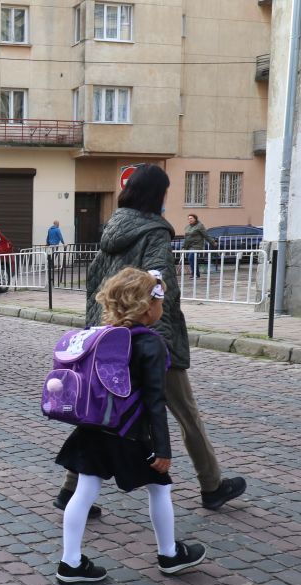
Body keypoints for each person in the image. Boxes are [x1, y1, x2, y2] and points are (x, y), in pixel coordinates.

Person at [54, 164, 246, 515]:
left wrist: (99, 335)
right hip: (148, 339)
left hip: (110, 339)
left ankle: (70, 491)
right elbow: (161, 290)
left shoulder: (110, 231)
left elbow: (94, 286)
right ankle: (212, 485)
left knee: (99, 415)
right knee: (187, 416)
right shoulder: (155, 233)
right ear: (156, 195)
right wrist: (158, 345)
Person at [55, 268, 207, 583]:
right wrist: (162, 448)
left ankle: (70, 562)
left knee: (83, 491)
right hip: (129, 434)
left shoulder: (100, 335)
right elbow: (155, 401)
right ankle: (169, 554)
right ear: (147, 306)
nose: (161, 307)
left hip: (93, 428)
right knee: (160, 487)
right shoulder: (151, 343)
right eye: (159, 300)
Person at [182, 214, 214, 278]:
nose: (189, 220)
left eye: (191, 218)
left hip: (197, 245)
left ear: (195, 219)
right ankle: (197, 274)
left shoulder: (200, 226)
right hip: (190, 246)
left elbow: (206, 235)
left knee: (191, 258)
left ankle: (194, 273)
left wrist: (212, 242)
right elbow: (186, 238)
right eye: (188, 218)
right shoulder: (188, 227)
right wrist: (184, 247)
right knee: (193, 259)